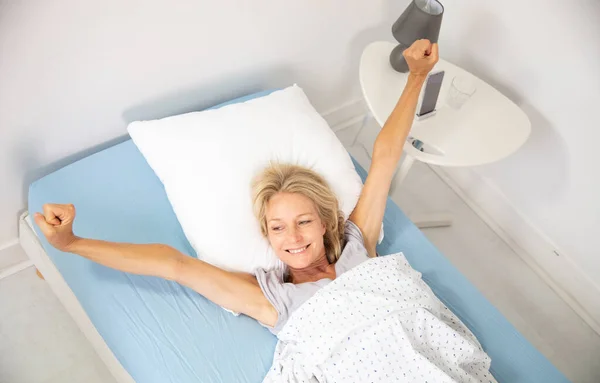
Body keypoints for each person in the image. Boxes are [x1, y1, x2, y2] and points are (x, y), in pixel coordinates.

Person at [34, 39, 439, 335]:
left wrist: (417, 76)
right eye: (278, 228)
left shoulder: (358, 245)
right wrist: (71, 243)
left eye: (302, 221)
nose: (293, 238)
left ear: (325, 224)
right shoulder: (272, 299)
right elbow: (174, 265)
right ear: (267, 235)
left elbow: (384, 159)